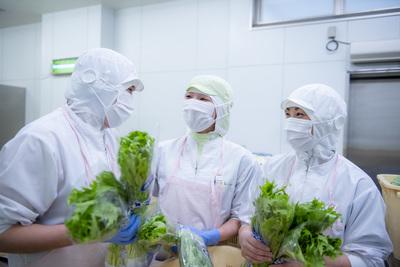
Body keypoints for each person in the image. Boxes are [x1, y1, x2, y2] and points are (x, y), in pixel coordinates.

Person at [0, 48, 144, 267]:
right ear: (101, 88)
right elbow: (4, 233)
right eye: (129, 90)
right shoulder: (41, 139)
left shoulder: (109, 137)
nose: (131, 101)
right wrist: (84, 232)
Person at [239, 84, 393, 267]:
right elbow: (248, 215)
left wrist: (311, 263)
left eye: (300, 115)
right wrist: (245, 233)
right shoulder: (271, 168)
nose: (291, 122)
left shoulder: (358, 185)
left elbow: (371, 258)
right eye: (288, 114)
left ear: (327, 122)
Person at [152, 75, 262, 247]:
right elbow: (147, 199)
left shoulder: (242, 159)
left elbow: (240, 218)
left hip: (209, 251)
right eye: (189, 97)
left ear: (221, 108)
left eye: (203, 99)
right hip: (161, 249)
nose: (193, 104)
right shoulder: (162, 150)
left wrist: (210, 236)